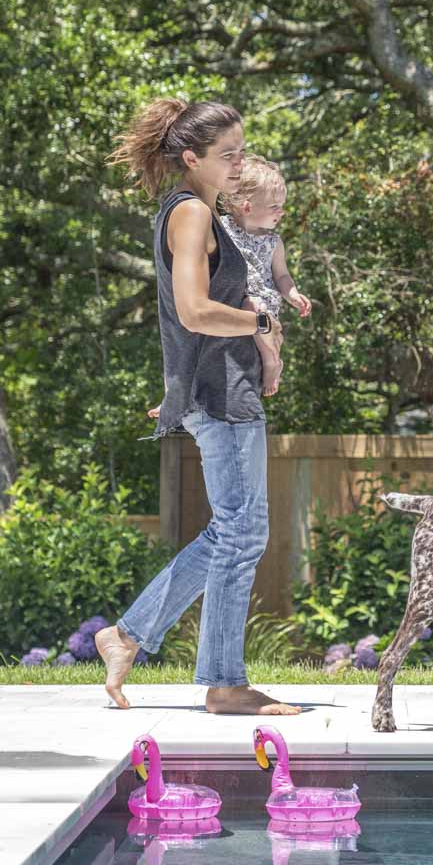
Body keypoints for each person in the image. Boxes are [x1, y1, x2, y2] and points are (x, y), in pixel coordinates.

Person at [93, 97, 301, 716]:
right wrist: (259, 318)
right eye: (227, 155)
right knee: (241, 532)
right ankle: (222, 682)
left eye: (242, 151)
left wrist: (178, 392)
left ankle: (130, 637)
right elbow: (191, 311)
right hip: (221, 390)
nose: (240, 165)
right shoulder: (189, 215)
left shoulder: (199, 214)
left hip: (215, 388)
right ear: (192, 158)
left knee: (236, 530)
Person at [216, 156, 312, 396]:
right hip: (236, 300)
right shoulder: (223, 229)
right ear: (247, 207)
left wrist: (293, 295)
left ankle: (272, 361)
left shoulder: (273, 242)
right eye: (274, 207)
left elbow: (282, 276)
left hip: (264, 305)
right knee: (250, 308)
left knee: (257, 312)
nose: (282, 212)